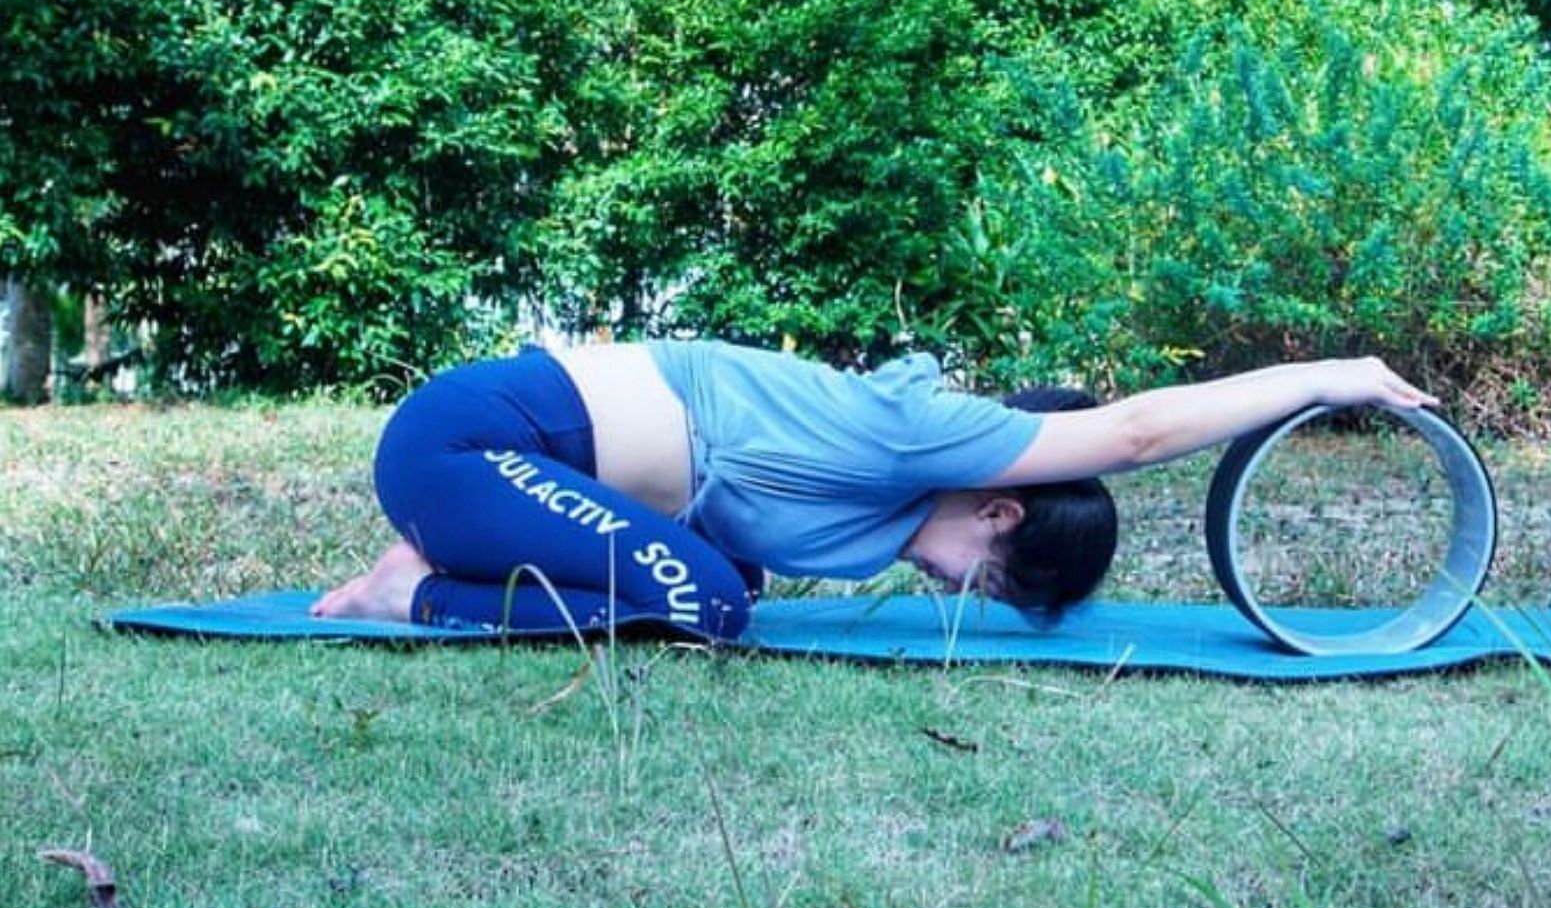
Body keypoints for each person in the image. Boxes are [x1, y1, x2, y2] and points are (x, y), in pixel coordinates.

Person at [313, 339, 1434, 639]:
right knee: (714, 602)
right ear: (1000, 503)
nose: (960, 594)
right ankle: (405, 591)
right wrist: (1328, 377)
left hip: (520, 477)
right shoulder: (928, 438)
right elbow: (1136, 431)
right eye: (988, 582)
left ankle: (440, 567)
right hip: (464, 447)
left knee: (724, 578)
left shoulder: (882, 523)